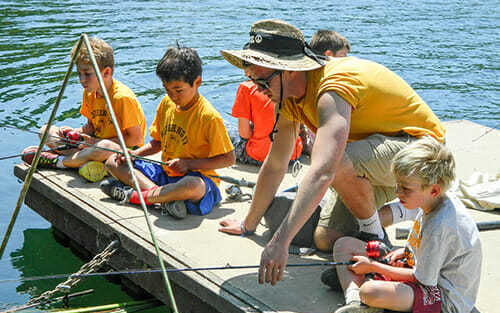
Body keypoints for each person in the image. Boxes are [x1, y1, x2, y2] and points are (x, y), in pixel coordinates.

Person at [218, 19, 445, 285]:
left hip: (423, 152)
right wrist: (249, 225)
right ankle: (406, 210)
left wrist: (280, 242)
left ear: (289, 70)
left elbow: (325, 168)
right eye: (252, 80)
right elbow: (277, 162)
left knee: (333, 162)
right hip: (378, 158)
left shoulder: (332, 87)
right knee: (325, 238)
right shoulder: (290, 99)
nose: (258, 89)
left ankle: (375, 236)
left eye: (263, 81)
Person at [331, 138, 482, 313]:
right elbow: (425, 248)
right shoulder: (433, 201)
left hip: (443, 297)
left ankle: (366, 295)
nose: (397, 191)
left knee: (370, 291)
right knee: (343, 245)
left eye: (405, 188)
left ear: (434, 190)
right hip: (422, 270)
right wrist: (405, 251)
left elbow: (423, 280)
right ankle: (355, 301)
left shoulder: (440, 226)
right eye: (397, 184)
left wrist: (375, 266)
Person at [101, 46, 235, 219]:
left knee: (191, 185)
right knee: (113, 160)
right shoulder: (166, 104)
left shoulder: (208, 116)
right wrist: (135, 154)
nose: (173, 96)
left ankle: (135, 196)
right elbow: (157, 142)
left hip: (198, 178)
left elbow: (228, 159)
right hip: (166, 174)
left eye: (178, 90)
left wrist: (188, 164)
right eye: (167, 89)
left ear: (197, 82)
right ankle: (165, 199)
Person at [22, 36, 146, 183]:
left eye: (87, 74)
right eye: (79, 73)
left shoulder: (121, 97)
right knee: (46, 131)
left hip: (121, 153)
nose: (82, 79)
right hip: (91, 148)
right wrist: (77, 132)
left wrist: (97, 142)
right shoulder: (89, 92)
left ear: (106, 73)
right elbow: (91, 127)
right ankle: (83, 163)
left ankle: (60, 162)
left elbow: (135, 139)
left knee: (103, 147)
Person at [231, 76, 303, 165]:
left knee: (229, 131)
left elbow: (244, 134)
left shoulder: (247, 87)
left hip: (258, 155)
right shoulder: (293, 85)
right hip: (292, 155)